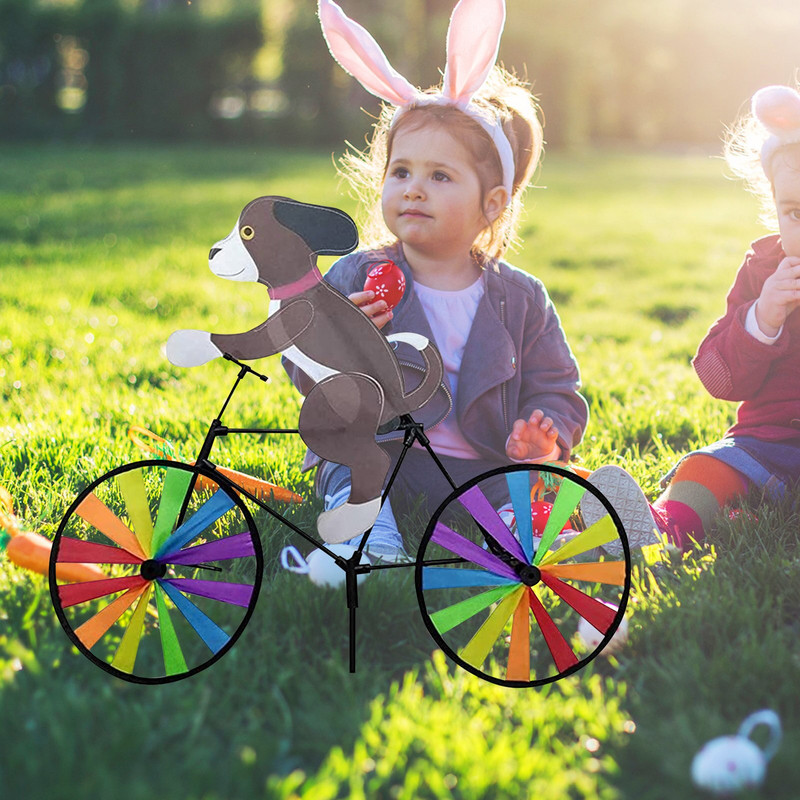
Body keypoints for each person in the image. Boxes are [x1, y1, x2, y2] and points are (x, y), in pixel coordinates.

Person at [283, 0, 589, 560]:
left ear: (491, 204)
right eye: (401, 172)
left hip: (484, 466)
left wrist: (545, 432)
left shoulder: (522, 300)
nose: (413, 189)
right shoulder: (358, 274)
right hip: (384, 450)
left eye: (439, 175)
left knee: (525, 491)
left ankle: (533, 534)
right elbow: (301, 365)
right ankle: (369, 535)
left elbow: (557, 387)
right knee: (351, 458)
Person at [583, 83, 800, 550]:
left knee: (753, 503)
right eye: (795, 213)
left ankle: (744, 516)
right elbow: (718, 378)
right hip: (766, 446)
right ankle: (661, 530)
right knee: (709, 468)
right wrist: (762, 318)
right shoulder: (764, 272)